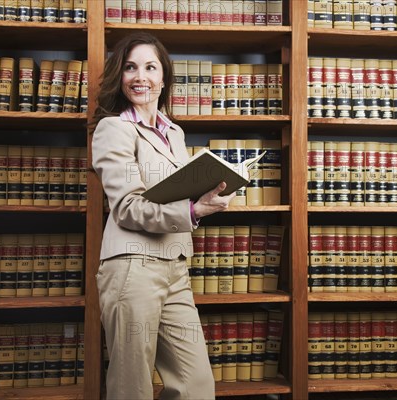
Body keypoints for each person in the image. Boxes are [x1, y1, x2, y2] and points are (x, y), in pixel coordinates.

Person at [90, 32, 235, 399]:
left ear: (163, 78)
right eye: (130, 67)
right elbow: (127, 206)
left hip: (174, 266)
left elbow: (172, 197)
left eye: (150, 67)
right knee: (132, 387)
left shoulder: (174, 133)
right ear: (119, 77)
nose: (140, 76)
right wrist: (192, 209)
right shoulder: (114, 129)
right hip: (131, 269)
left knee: (195, 385)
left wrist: (210, 196)